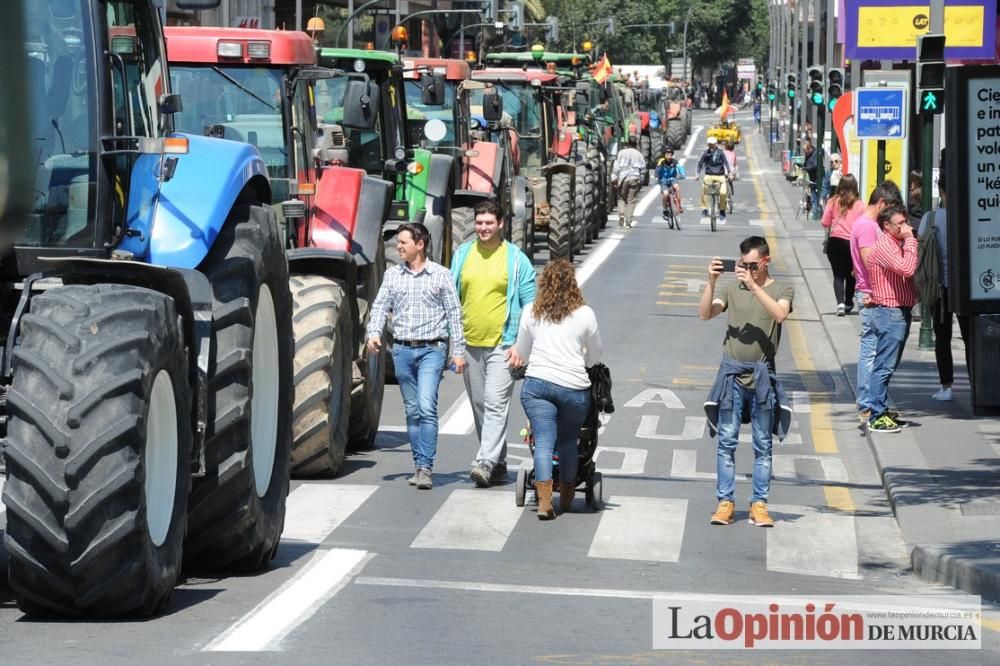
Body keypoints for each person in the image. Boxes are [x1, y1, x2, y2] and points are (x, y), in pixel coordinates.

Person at [700, 236, 794, 528]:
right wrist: (711, 282)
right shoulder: (731, 288)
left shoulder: (782, 288)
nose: (747, 271)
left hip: (763, 377)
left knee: (763, 444)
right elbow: (705, 314)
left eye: (753, 265)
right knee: (726, 441)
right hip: (732, 376)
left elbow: (780, 314)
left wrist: (754, 287)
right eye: (743, 265)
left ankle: (759, 504)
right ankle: (725, 502)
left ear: (766, 261)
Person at [367, 223, 467, 490]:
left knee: (426, 406)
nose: (398, 246)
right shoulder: (392, 276)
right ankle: (418, 463)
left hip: (432, 350)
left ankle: (426, 468)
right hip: (401, 350)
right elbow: (379, 306)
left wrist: (458, 352)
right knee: (412, 411)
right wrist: (374, 333)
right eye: (398, 242)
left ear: (419, 244)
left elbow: (454, 314)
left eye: (403, 242)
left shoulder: (441, 275)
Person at [451, 199, 536, 488]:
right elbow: (453, 298)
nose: (483, 228)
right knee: (479, 405)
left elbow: (530, 305)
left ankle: (485, 461)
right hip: (470, 343)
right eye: (479, 223)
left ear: (500, 224)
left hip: (504, 344)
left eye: (488, 223)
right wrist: (454, 343)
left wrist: (521, 346)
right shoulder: (463, 254)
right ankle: (498, 463)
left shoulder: (515, 259)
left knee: (495, 403)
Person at [515, 260, 602, 520]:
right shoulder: (585, 314)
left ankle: (544, 502)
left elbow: (522, 351)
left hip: (538, 385)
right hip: (573, 387)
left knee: (542, 442)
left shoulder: (531, 311)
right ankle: (565, 496)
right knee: (567, 442)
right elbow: (596, 354)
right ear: (573, 284)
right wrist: (585, 365)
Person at [850, 180, 903, 424]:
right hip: (871, 295)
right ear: (881, 203)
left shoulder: (862, 223)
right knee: (872, 352)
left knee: (871, 350)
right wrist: (876, 291)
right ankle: (868, 405)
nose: (891, 215)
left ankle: (870, 404)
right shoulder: (868, 227)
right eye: (889, 208)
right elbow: (871, 262)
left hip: (867, 292)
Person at [864, 206, 918, 433]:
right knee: (884, 366)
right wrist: (910, 240)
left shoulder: (894, 243)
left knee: (888, 365)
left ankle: (882, 410)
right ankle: (876, 414)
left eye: (906, 222)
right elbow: (907, 268)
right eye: (900, 223)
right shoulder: (886, 245)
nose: (905, 227)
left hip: (895, 311)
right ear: (886, 226)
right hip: (890, 313)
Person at [917, 175, 970, 401]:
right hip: (965, 288)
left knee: (942, 337)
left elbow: (919, 250)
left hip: (938, 288)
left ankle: (946, 387)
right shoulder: (968, 218)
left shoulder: (930, 219)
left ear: (941, 191)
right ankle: (977, 383)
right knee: (970, 337)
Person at [820, 174, 865, 316]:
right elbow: (863, 224)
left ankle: (839, 303)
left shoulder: (833, 201)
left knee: (838, 275)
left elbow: (824, 222)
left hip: (835, 242)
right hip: (852, 243)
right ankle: (848, 302)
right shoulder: (860, 204)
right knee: (851, 274)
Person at [611, 135, 646, 228]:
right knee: (631, 200)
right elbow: (643, 169)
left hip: (623, 178)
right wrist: (641, 180)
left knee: (621, 198)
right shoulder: (639, 154)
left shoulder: (621, 153)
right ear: (636, 144)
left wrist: (614, 179)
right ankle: (628, 221)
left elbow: (616, 167)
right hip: (634, 178)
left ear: (627, 143)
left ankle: (621, 214)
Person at [696, 136, 732, 221]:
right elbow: (700, 164)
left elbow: (726, 163)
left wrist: (729, 173)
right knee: (704, 189)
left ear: (715, 144)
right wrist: (697, 174)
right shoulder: (705, 153)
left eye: (711, 144)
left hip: (720, 175)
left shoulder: (720, 153)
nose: (710, 146)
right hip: (709, 175)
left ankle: (722, 210)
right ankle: (705, 208)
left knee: (723, 193)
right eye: (709, 144)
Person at [655, 147, 684, 216]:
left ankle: (679, 206)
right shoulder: (661, 161)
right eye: (667, 155)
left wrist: (683, 174)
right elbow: (658, 169)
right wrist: (657, 177)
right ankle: (665, 209)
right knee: (666, 194)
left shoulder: (674, 161)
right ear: (664, 155)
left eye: (670, 155)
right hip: (663, 181)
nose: (669, 157)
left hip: (672, 180)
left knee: (677, 188)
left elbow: (680, 167)